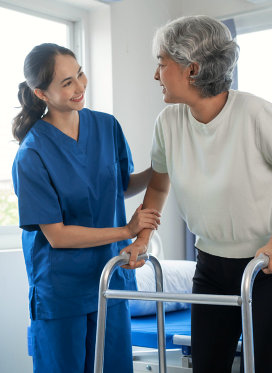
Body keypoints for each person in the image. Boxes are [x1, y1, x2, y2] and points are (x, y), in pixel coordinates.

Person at [122, 16, 272, 373]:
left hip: (268, 264)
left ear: (192, 69)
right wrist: (144, 238)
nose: (155, 75)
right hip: (211, 264)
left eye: (162, 64)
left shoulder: (255, 113)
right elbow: (159, 184)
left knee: (268, 367)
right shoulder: (168, 122)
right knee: (208, 365)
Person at [11, 43, 160, 373]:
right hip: (61, 289)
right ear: (42, 94)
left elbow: (120, 185)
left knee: (114, 366)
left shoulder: (106, 126)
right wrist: (126, 231)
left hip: (109, 277)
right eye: (66, 83)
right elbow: (57, 236)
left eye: (79, 74)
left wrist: (158, 168)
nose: (79, 87)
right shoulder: (32, 154)